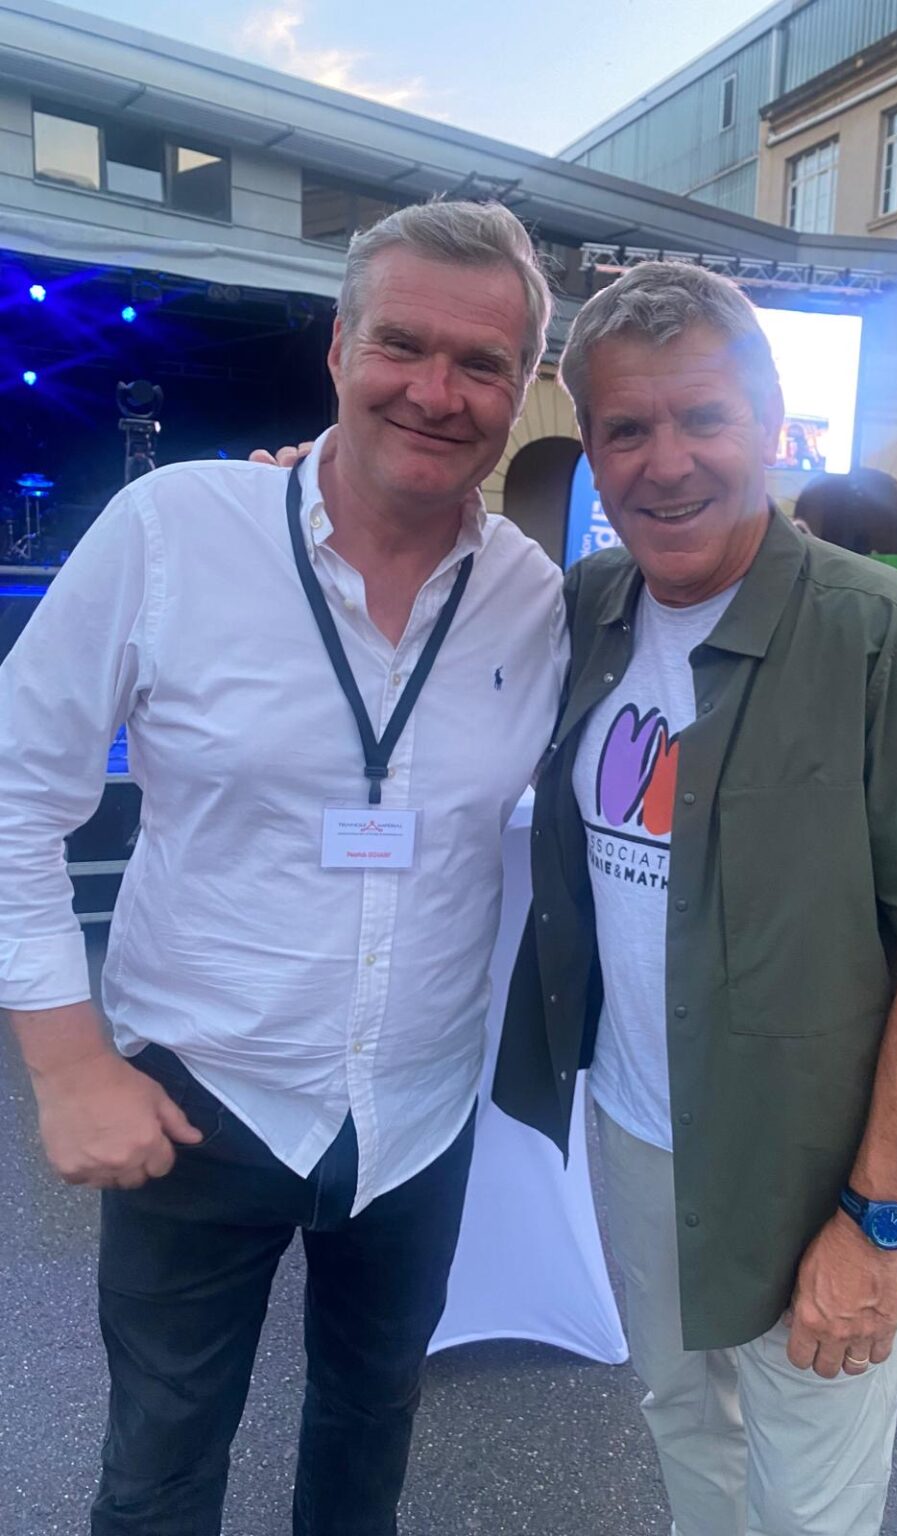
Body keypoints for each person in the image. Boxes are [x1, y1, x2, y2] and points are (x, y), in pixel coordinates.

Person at [0, 200, 567, 1536]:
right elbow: (15, 792)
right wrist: (68, 1065)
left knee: (369, 1438)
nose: (436, 391)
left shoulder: (537, 596)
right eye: (402, 345)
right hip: (201, 1096)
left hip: (421, 1112)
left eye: (481, 364)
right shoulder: (174, 529)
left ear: (524, 388)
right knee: (161, 1466)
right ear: (339, 347)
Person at [493, 261, 897, 1536]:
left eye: (704, 418)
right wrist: (301, 487)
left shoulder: (889, 639)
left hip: (811, 1165)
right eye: (627, 429)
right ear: (592, 451)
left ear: (771, 424)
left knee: (808, 1503)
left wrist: (880, 1222)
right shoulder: (587, 607)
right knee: (683, 1423)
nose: (666, 462)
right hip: (636, 1126)